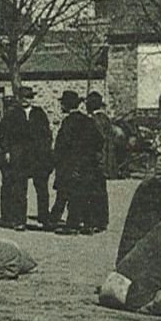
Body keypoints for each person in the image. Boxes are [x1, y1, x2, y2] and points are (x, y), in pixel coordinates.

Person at [52, 90, 108, 235]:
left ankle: (73, 225)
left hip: (71, 164)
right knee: (85, 193)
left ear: (66, 105)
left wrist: (59, 160)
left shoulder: (68, 122)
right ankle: (88, 225)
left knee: (73, 194)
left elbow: (61, 146)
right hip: (88, 164)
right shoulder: (88, 120)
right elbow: (99, 141)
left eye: (62, 103)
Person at [0, 87, 53, 231]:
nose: (25, 100)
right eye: (22, 97)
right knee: (19, 189)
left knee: (42, 188)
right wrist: (7, 151)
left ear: (31, 99)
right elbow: (3, 135)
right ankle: (19, 220)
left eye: (28, 97)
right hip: (19, 156)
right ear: (18, 99)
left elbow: (47, 133)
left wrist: (46, 150)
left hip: (38, 156)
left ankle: (44, 218)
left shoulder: (39, 114)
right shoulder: (11, 115)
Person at [88, 92, 118, 180]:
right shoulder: (105, 118)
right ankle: (109, 171)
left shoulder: (94, 119)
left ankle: (104, 171)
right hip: (109, 144)